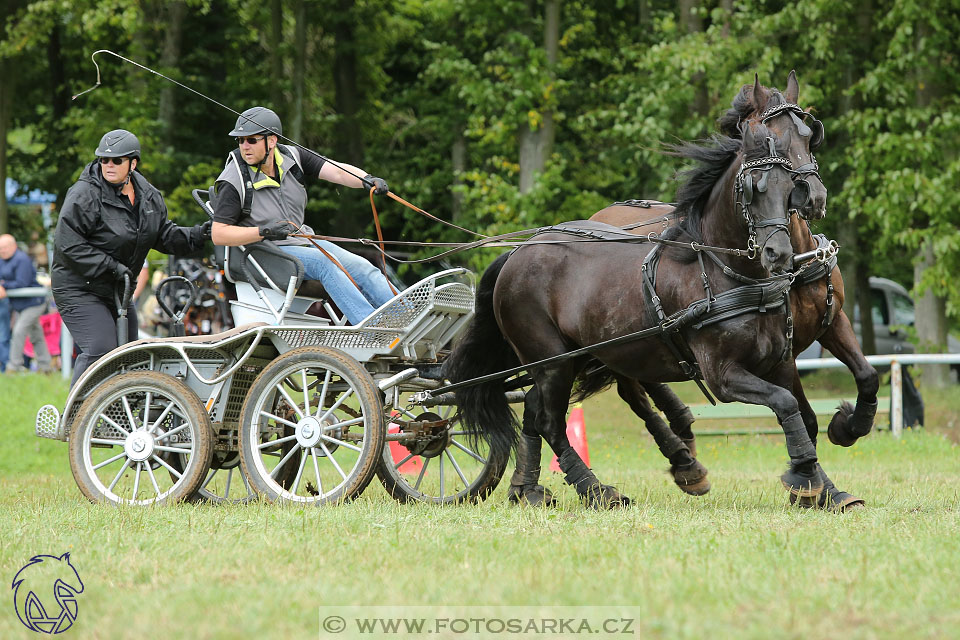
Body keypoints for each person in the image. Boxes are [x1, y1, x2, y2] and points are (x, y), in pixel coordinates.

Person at [52, 129, 211, 385]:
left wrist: (201, 235)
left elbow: (163, 235)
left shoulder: (148, 195)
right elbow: (68, 245)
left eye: (116, 160)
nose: (109, 165)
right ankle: (73, 421)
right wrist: (113, 267)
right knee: (101, 350)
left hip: (118, 289)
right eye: (104, 160)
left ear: (133, 163)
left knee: (131, 355)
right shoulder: (85, 194)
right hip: (78, 288)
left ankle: (115, 420)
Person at [211, 106, 396, 325]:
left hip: (301, 242)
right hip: (264, 253)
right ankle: (373, 328)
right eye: (240, 141)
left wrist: (367, 179)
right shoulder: (233, 180)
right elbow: (219, 234)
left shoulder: (293, 157)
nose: (244, 147)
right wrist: (264, 231)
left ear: (271, 141)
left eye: (251, 140)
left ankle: (407, 321)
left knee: (363, 267)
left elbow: (336, 171)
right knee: (324, 264)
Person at [0, 233, 52, 373]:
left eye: (4, 247)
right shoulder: (3, 260)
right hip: (21, 305)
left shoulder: (21, 259)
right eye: (0, 248)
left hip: (34, 303)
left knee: (18, 331)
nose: (2, 250)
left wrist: (3, 285)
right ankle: (46, 367)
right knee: (36, 335)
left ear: (13, 246)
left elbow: (21, 282)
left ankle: (13, 367)